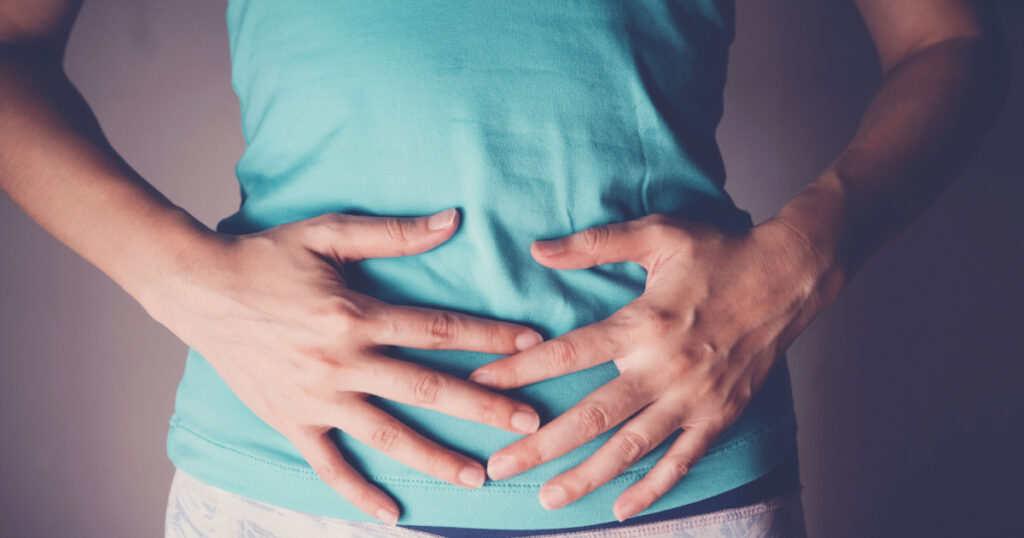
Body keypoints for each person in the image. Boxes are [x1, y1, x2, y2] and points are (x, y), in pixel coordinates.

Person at [0, 0, 1008, 536]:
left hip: (669, 484)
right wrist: (186, 282)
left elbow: (946, 39)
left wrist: (795, 261)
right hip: (292, 489)